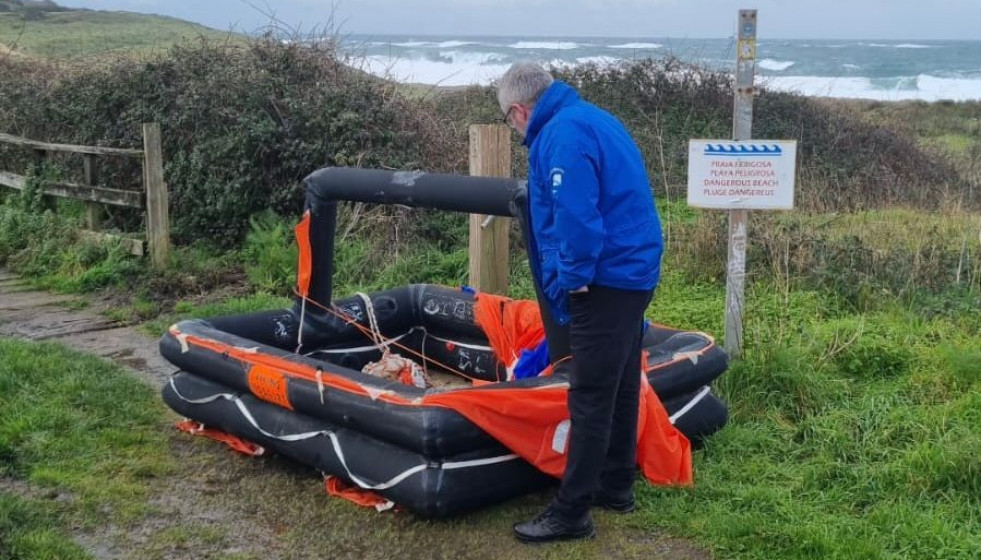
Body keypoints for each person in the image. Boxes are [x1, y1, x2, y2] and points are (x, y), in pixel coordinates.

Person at [496, 62, 664, 543]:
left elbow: (575, 215)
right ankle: (616, 484)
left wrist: (573, 281)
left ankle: (572, 512)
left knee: (589, 394)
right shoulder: (591, 117)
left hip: (605, 278)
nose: (514, 130)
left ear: (519, 110)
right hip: (632, 270)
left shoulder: (562, 136)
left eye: (510, 122)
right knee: (623, 378)